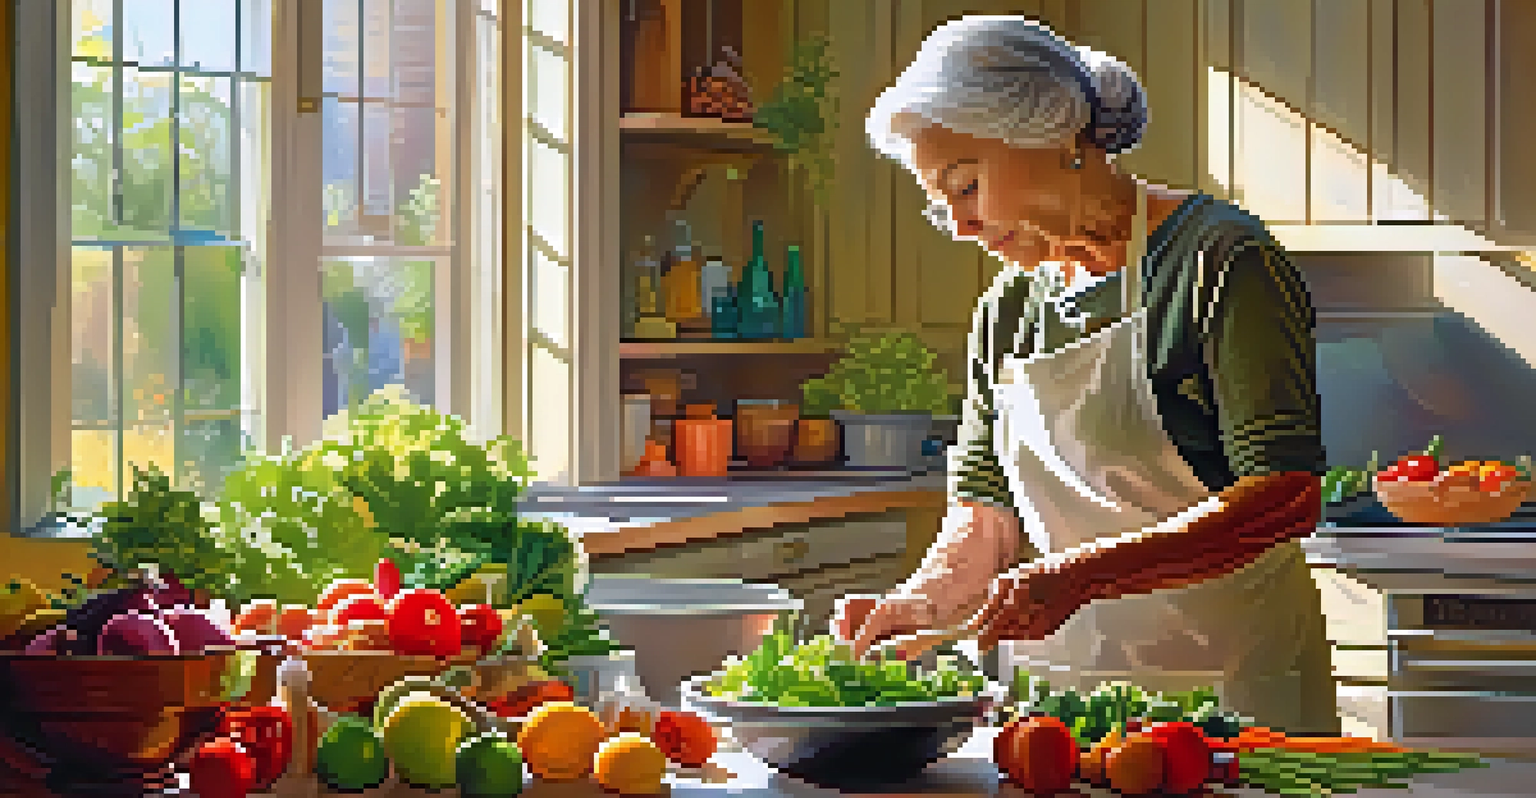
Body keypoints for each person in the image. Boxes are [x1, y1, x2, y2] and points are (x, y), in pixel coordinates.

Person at [833, 15, 1337, 735]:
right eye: (941, 209)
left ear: (1051, 138)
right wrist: (923, 602)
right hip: (1062, 711)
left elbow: (1285, 496)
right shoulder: (1006, 309)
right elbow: (984, 518)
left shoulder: (1219, 260)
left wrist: (1082, 574)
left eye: (967, 186)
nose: (963, 225)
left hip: (1233, 696)